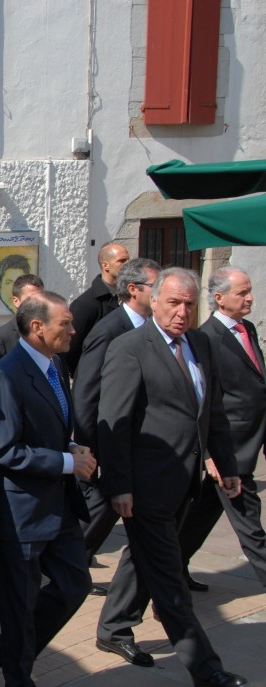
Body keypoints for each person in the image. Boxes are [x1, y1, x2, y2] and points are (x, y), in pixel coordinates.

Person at [96, 268, 246, 687]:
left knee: (145, 559)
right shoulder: (130, 348)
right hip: (145, 487)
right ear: (154, 301)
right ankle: (207, 669)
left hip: (186, 481)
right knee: (170, 580)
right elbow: (114, 421)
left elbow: (211, 411)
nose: (182, 312)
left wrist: (227, 464)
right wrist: (120, 485)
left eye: (189, 304)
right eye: (174, 303)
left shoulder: (199, 343)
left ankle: (113, 626)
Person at [0, 291, 95, 686]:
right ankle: (17, 674)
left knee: (74, 585)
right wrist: (67, 463)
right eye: (65, 323)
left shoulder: (55, 364)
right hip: (23, 512)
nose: (73, 330)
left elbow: (50, 427)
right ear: (37, 327)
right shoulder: (6, 376)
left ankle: (7, 649)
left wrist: (70, 448)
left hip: (59, 505)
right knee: (19, 605)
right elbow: (3, 450)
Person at [71, 258, 160, 592]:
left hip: (133, 446)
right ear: (134, 289)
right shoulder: (111, 330)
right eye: (158, 286)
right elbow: (86, 393)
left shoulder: (146, 328)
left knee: (110, 514)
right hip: (106, 447)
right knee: (98, 512)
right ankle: (63, 567)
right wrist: (91, 450)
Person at [178, 266, 266, 589]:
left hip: (248, 441)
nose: (250, 298)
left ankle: (172, 568)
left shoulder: (246, 330)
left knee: (202, 514)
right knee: (250, 523)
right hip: (228, 450)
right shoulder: (206, 339)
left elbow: (256, 387)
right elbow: (204, 401)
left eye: (249, 291)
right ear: (218, 298)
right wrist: (210, 455)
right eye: (242, 293)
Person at [64, 242, 129, 376]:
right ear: (105, 265)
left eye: (128, 259)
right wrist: (87, 377)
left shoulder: (128, 296)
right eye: (122, 261)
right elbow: (72, 348)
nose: (127, 265)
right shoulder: (85, 304)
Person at [0, 273, 44, 372]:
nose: (37, 303)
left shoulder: (49, 331)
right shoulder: (1, 337)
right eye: (31, 299)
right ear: (16, 301)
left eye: (40, 298)